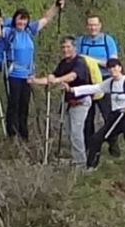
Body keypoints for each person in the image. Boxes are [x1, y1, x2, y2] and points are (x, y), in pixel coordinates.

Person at [65, 58, 125, 189]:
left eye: (115, 67)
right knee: (97, 138)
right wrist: (73, 90)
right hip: (115, 117)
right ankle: (91, 167)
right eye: (110, 68)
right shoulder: (110, 83)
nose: (113, 70)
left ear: (120, 68)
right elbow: (95, 87)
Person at [0, 0, 64, 140]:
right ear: (15, 20)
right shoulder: (9, 32)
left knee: (24, 105)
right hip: (13, 74)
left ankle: (23, 134)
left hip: (28, 75)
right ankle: (12, 134)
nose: (22, 23)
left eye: (24, 20)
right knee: (13, 104)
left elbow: (45, 19)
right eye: (19, 20)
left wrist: (56, 6)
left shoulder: (29, 31)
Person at [29, 36, 91, 165]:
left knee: (76, 133)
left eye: (68, 47)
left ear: (74, 47)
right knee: (69, 132)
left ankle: (81, 163)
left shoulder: (80, 62)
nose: (65, 50)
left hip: (80, 101)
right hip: (68, 103)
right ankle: (76, 159)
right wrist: (35, 81)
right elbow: (52, 78)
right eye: (63, 47)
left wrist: (57, 80)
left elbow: (72, 76)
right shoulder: (63, 63)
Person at [77, 15, 120, 157]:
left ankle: (113, 145)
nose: (92, 28)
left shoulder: (108, 41)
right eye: (90, 25)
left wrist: (92, 61)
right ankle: (90, 148)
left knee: (109, 115)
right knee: (87, 117)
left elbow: (113, 63)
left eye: (95, 25)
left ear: (100, 25)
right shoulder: (81, 41)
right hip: (87, 81)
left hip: (105, 81)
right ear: (86, 26)